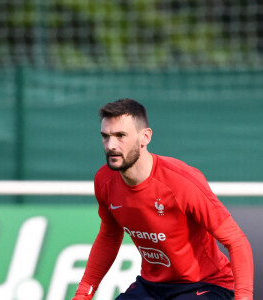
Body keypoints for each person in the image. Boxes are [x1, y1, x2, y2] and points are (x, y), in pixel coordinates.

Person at [72, 98, 253, 300]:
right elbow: (109, 236)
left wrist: (244, 297)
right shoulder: (104, 180)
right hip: (152, 287)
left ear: (145, 137)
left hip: (206, 285)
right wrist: (83, 294)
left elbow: (236, 241)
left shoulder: (181, 181)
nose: (111, 145)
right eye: (105, 137)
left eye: (120, 135)